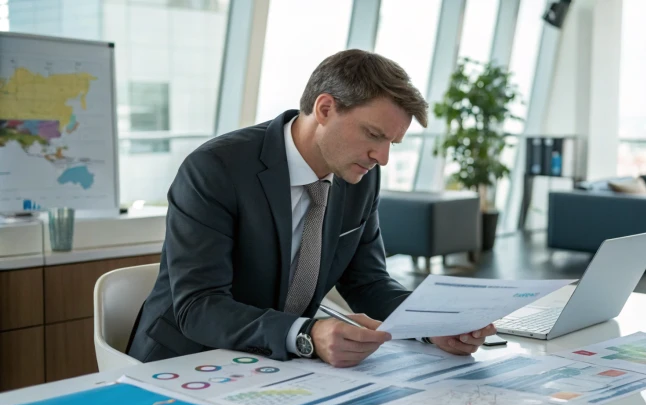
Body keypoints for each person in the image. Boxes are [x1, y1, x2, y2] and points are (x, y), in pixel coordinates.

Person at [127, 49, 496, 368]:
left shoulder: (359, 177)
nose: (382, 158)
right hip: (186, 361)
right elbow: (200, 306)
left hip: (275, 366)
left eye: (392, 143)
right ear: (324, 108)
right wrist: (306, 333)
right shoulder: (215, 169)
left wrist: (432, 324)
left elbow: (368, 282)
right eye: (373, 135)